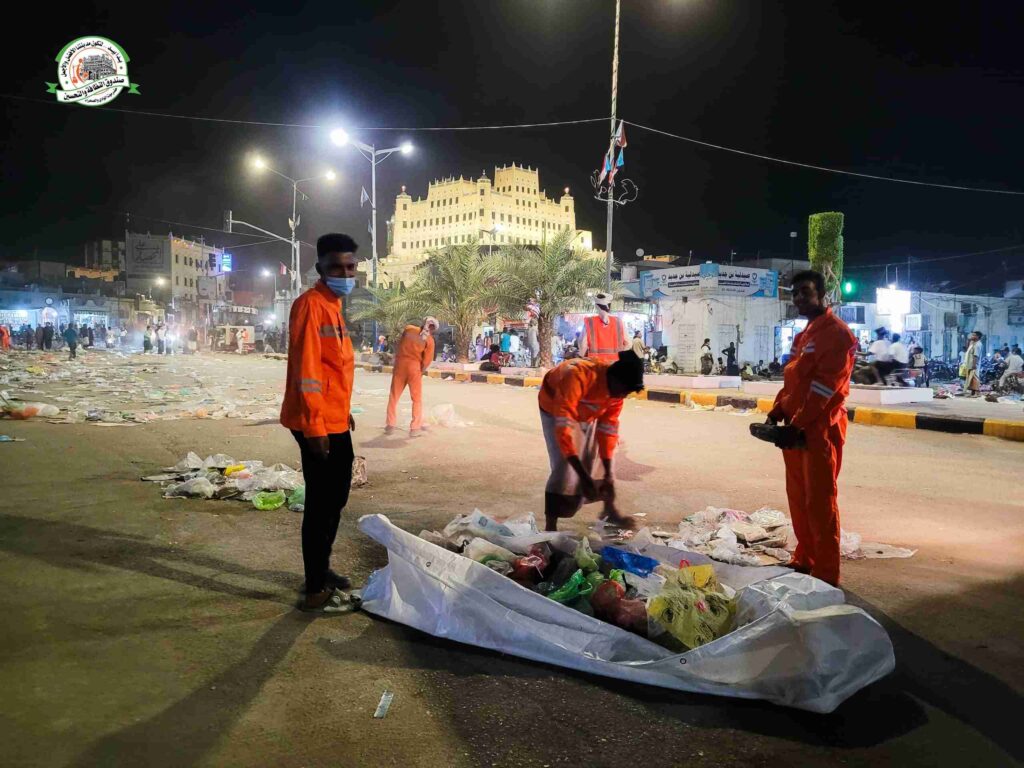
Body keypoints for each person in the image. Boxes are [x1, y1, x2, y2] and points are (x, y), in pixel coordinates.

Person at [280, 232, 359, 613]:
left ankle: (321, 570)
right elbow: (307, 370)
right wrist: (315, 427)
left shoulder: (332, 305)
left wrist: (343, 411)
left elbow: (333, 370)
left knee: (335, 498)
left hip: (333, 417)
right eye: (336, 268)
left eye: (350, 267)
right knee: (322, 504)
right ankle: (315, 589)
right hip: (317, 423)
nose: (345, 274)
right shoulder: (312, 306)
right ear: (320, 269)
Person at [767, 270, 857, 588]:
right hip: (795, 429)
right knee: (798, 498)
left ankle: (826, 573)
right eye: (795, 293)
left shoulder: (838, 334)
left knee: (820, 503)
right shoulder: (804, 335)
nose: (799, 298)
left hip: (819, 431)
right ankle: (805, 558)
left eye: (805, 292)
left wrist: (798, 422)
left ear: (822, 294)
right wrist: (778, 410)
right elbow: (794, 382)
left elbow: (825, 389)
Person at [539, 350, 645, 532]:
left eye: (625, 393)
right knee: (565, 466)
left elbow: (608, 431)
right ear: (612, 378)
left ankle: (609, 511)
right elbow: (564, 431)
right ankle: (550, 527)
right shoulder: (576, 376)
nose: (622, 396)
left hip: (587, 411)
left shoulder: (617, 393)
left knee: (604, 465)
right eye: (622, 391)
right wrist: (583, 476)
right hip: (555, 407)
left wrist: (608, 472)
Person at [385, 317, 438, 436]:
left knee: (394, 396)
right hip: (414, 368)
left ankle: (390, 425)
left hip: (400, 365)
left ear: (423, 322)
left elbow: (399, 344)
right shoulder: (429, 340)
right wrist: (421, 370)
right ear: (433, 329)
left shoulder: (409, 329)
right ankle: (415, 428)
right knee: (416, 399)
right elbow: (427, 360)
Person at [579, 292, 629, 362]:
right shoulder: (619, 322)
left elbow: (583, 344)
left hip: (596, 364)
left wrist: (580, 357)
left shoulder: (590, 322)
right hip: (615, 364)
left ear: (596, 306)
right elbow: (628, 343)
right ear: (609, 306)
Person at [962, 331, 982, 396]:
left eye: (974, 335)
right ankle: (972, 392)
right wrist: (968, 340)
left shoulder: (978, 345)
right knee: (971, 378)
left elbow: (975, 355)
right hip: (969, 363)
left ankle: (976, 392)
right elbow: (967, 349)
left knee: (974, 378)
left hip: (974, 364)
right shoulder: (973, 343)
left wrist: (974, 364)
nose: (972, 336)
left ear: (977, 337)